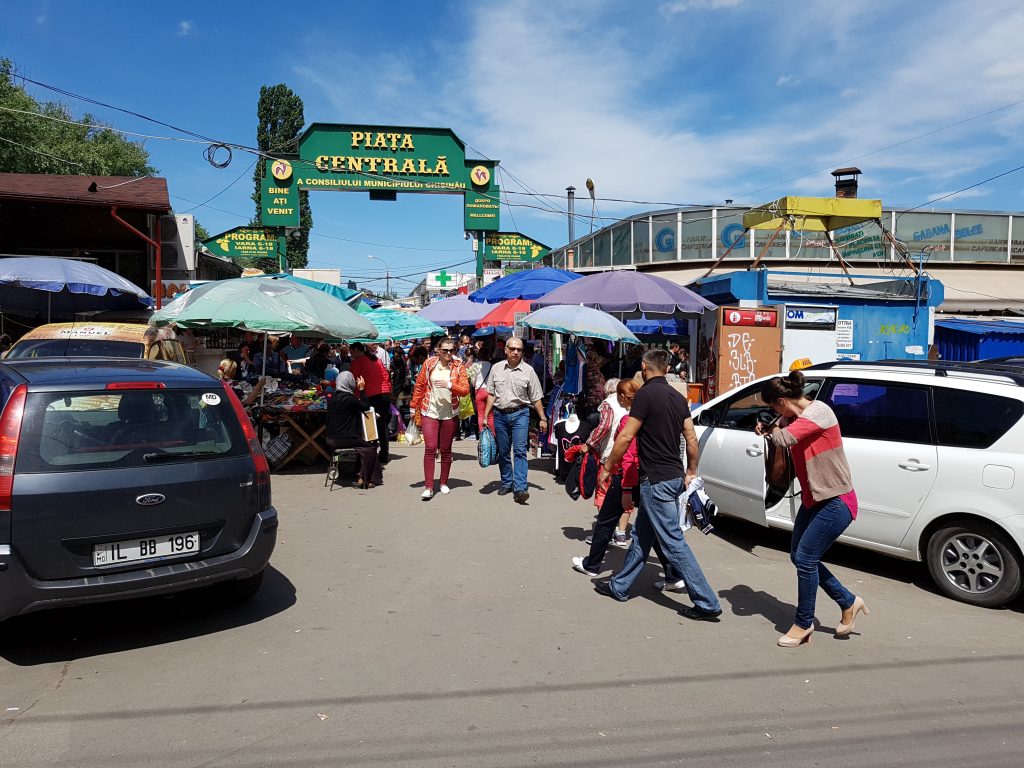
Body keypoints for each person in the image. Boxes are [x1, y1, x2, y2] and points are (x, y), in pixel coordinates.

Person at [594, 348, 722, 621]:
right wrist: (691, 470)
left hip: (655, 480)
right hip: (673, 476)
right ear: (666, 368)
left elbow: (627, 436)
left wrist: (607, 467)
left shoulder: (645, 396)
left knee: (674, 543)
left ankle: (707, 601)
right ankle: (620, 586)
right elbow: (691, 437)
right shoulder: (678, 398)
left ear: (643, 366)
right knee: (642, 536)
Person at [755, 370, 868, 647]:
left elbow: (784, 439)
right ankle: (848, 602)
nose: (773, 412)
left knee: (805, 558)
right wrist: (773, 424)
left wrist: (772, 429)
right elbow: (782, 428)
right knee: (800, 557)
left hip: (837, 500)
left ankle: (803, 623)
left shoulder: (819, 413)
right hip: (814, 500)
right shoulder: (792, 416)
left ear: (781, 401)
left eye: (772, 406)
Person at [483, 337, 547, 504]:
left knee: (519, 450)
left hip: (521, 414)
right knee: (503, 451)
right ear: (505, 349)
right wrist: (485, 416)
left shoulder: (529, 371)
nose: (515, 352)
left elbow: (536, 397)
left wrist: (543, 418)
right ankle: (506, 482)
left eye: (519, 349)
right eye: (512, 349)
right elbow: (491, 394)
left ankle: (520, 487)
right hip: (500, 415)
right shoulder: (496, 368)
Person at [410, 338, 469, 500]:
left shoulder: (459, 367)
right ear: (438, 350)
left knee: (445, 449)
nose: (449, 353)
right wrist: (413, 406)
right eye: (445, 350)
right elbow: (420, 385)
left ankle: (443, 482)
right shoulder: (429, 364)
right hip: (430, 410)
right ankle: (429, 486)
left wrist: (450, 385)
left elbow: (465, 390)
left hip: (450, 413)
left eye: (452, 350)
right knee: (430, 447)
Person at [325, 371, 383, 489]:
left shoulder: (333, 398)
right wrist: (362, 389)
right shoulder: (349, 399)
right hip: (344, 439)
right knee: (370, 448)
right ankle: (366, 479)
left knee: (361, 444)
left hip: (329, 438)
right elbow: (366, 406)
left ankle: (358, 472)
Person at [349, 342, 393, 464]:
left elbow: (352, 381)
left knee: (369, 426)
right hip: (384, 394)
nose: (351, 355)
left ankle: (370, 454)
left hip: (371, 396)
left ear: (357, 350)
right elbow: (386, 376)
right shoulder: (376, 360)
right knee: (382, 426)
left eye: (352, 352)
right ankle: (384, 454)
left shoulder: (358, 362)